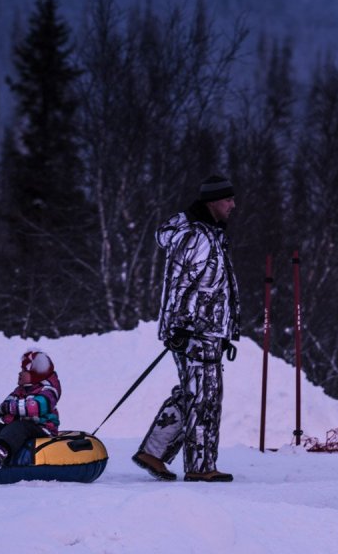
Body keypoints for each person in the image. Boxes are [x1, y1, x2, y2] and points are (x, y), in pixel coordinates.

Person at [133, 175, 241, 483]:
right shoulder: (197, 236)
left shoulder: (211, 233)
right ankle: (201, 467)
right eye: (227, 200)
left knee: (196, 393)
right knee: (204, 397)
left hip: (207, 331)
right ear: (211, 203)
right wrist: (180, 326)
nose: (233, 205)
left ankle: (153, 452)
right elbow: (178, 283)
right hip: (195, 332)